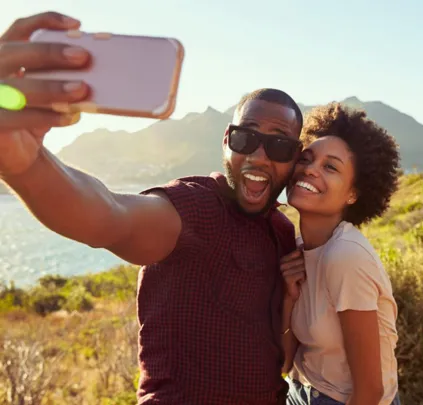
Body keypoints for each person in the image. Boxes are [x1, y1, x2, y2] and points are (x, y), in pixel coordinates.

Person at [0, 12, 306, 405]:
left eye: (279, 147)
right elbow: (111, 217)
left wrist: (289, 299)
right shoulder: (195, 207)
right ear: (227, 141)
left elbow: (280, 362)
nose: (260, 157)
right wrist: (26, 166)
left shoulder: (281, 233)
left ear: (295, 158)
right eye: (247, 140)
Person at [279, 103, 401, 405]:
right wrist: (288, 298)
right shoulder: (297, 249)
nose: (310, 169)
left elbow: (370, 391)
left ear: (353, 193)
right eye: (306, 159)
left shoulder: (346, 256)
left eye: (330, 167)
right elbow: (283, 365)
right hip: (299, 393)